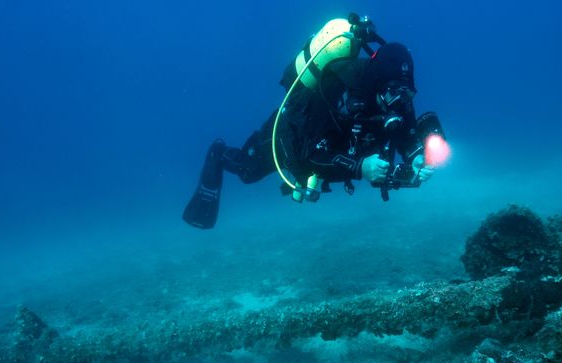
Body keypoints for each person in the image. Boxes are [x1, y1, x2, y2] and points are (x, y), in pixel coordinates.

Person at [183, 14, 446, 229]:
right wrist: (359, 167)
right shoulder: (338, 89)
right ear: (377, 81)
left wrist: (415, 157)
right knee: (249, 172)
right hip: (290, 135)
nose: (397, 102)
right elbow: (306, 156)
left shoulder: (396, 94)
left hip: (335, 148)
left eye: (405, 94)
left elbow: (405, 131)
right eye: (392, 93)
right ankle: (219, 153)